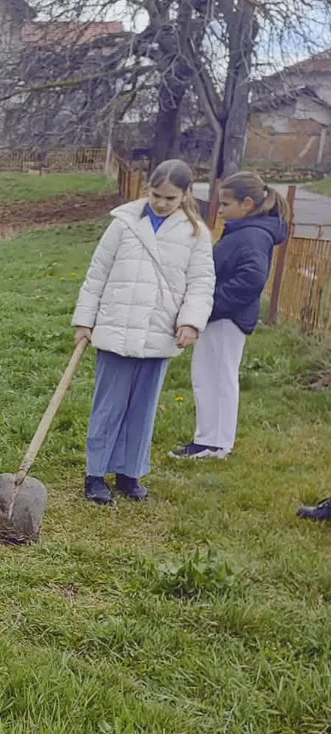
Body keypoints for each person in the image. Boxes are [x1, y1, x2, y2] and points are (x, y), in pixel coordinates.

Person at [73, 159, 216, 504]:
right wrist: (85, 319)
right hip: (116, 327)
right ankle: (96, 474)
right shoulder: (124, 223)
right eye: (156, 195)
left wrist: (191, 321)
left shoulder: (195, 233)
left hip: (158, 331)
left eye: (170, 197)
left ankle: (129, 472)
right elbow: (98, 272)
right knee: (108, 405)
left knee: (143, 407)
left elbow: (201, 282)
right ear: (147, 189)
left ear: (184, 195)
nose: (161, 203)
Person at [170, 171, 288, 461]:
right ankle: (210, 439)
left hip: (227, 319)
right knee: (207, 376)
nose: (220, 210)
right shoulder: (246, 231)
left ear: (247, 203)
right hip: (222, 316)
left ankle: (214, 443)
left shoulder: (252, 235)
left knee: (217, 378)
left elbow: (251, 279)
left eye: (225, 204)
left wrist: (212, 304)